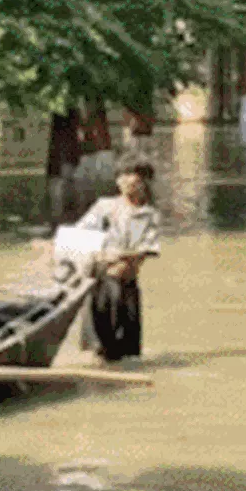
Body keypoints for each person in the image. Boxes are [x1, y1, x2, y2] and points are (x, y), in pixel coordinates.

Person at [76, 155, 161, 363]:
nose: (126, 186)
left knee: (126, 353)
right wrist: (102, 256)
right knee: (100, 349)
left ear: (144, 184)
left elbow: (144, 252)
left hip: (126, 284)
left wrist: (115, 255)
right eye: (122, 180)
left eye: (133, 182)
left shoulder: (149, 215)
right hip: (101, 281)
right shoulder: (104, 207)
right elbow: (80, 237)